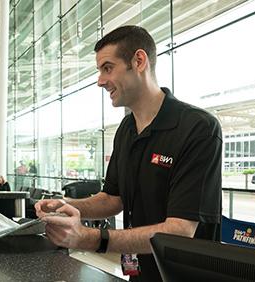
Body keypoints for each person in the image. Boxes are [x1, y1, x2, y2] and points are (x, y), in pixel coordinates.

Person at [35, 25, 222, 282]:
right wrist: (65, 206)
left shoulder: (198, 128)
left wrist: (92, 239)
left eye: (107, 68)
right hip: (138, 270)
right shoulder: (126, 128)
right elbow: (113, 198)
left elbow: (180, 231)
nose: (100, 81)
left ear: (138, 60)